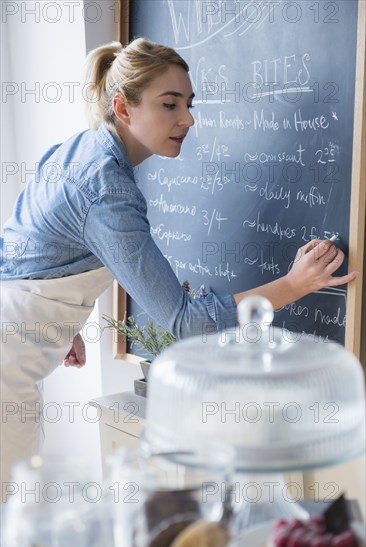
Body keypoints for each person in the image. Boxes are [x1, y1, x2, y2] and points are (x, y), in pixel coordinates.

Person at [0, 38, 358, 487]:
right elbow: (185, 324)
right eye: (169, 104)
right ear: (123, 107)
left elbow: (19, 243)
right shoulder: (108, 189)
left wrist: (59, 319)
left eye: (188, 103)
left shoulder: (77, 148)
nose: (187, 119)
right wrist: (295, 284)